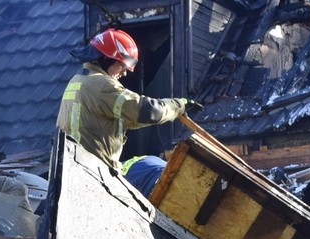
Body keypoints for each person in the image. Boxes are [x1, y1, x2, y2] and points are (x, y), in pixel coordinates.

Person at [57, 28, 202, 172]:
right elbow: (149, 110)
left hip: (75, 168)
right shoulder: (102, 85)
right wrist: (179, 105)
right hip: (92, 170)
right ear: (107, 58)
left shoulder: (79, 80)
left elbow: (119, 118)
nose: (125, 73)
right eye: (122, 65)